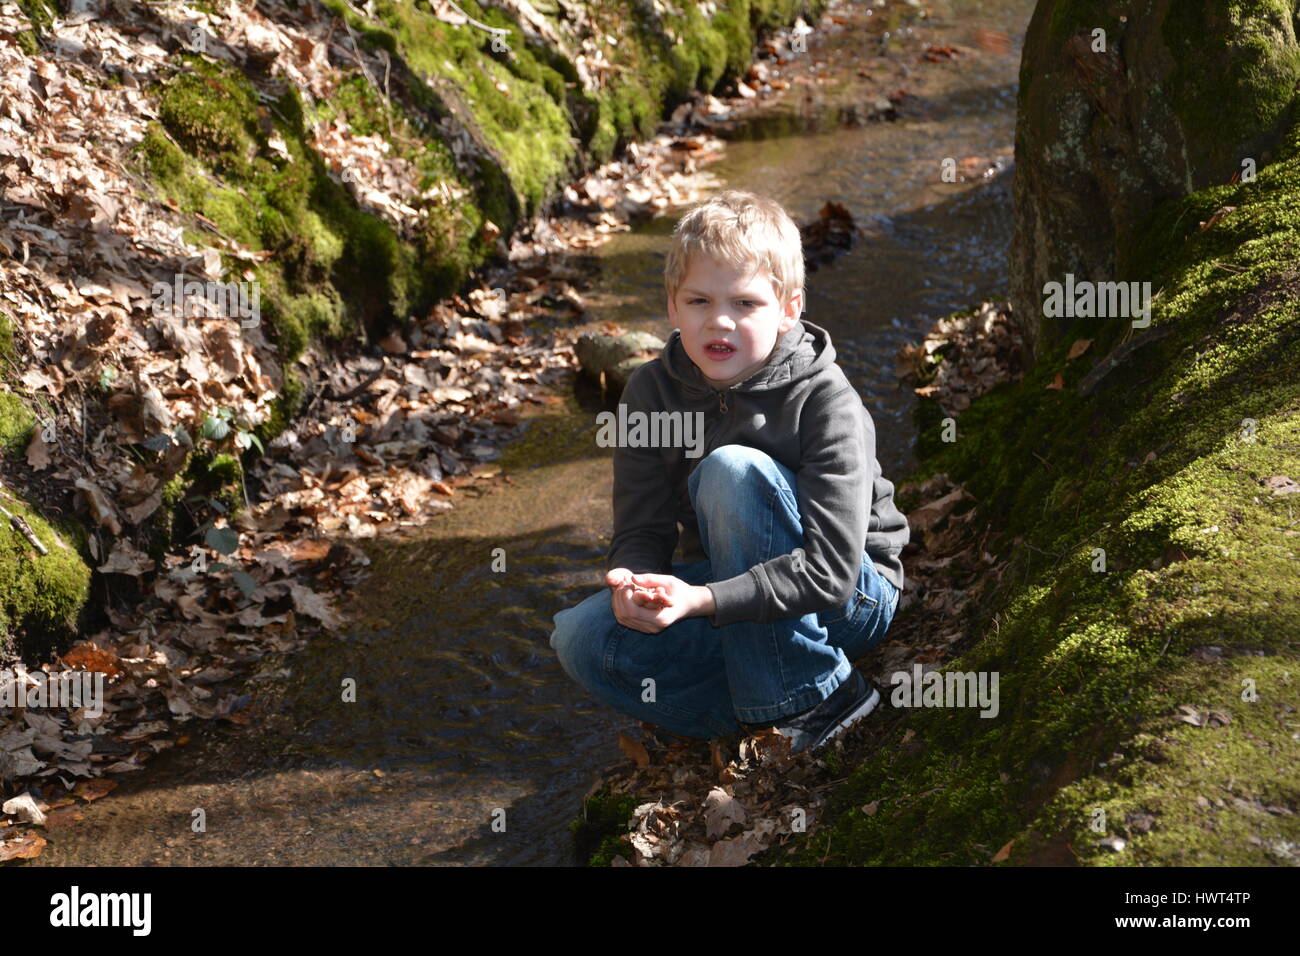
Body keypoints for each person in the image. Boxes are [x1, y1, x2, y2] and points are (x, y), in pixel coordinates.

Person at [549, 189, 910, 755]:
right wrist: (633, 582)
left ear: (789, 309)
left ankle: (820, 699)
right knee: (580, 638)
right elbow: (642, 529)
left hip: (847, 597)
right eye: (698, 301)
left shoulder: (824, 398)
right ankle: (756, 711)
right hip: (728, 584)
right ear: (672, 306)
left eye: (745, 303)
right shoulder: (652, 391)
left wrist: (703, 601)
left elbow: (832, 572)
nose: (719, 321)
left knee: (732, 470)